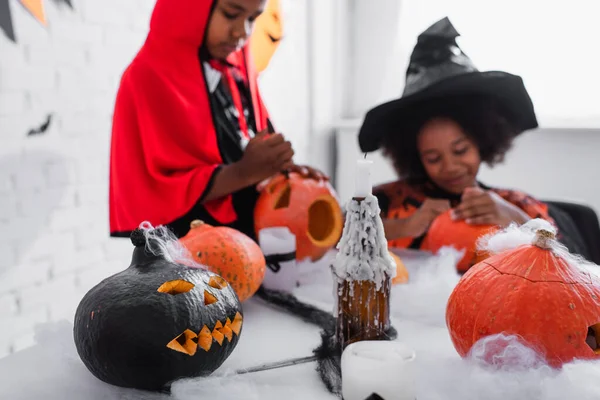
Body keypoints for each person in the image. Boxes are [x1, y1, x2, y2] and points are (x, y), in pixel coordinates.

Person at [358, 17, 585, 254]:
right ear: (415, 156)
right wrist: (403, 226)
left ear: (482, 141)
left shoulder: (517, 203)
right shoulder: (385, 200)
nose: (450, 166)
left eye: (460, 150)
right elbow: (325, 236)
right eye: (433, 158)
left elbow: (575, 262)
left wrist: (514, 218)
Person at [109, 0, 325, 240]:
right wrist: (245, 171)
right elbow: (157, 191)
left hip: (246, 242)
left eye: (252, 19)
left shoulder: (233, 70)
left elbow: (246, 143)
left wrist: (280, 168)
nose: (242, 31)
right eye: (231, 14)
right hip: (186, 252)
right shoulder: (146, 78)